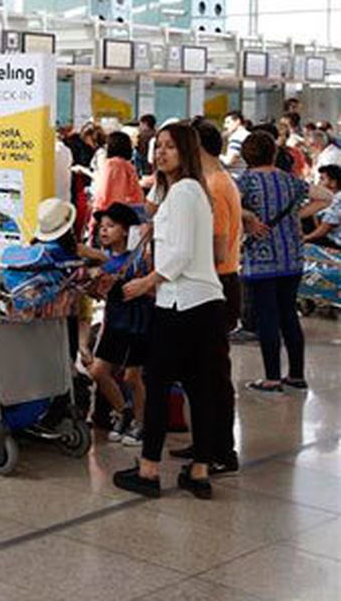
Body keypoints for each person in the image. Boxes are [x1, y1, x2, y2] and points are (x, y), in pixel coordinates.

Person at [113, 122, 225, 500]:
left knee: (158, 385)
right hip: (205, 303)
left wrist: (146, 283)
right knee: (200, 387)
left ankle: (148, 470)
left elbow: (179, 253)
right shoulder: (192, 191)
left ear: (186, 152)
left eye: (170, 147)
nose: (161, 153)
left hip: (180, 303)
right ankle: (199, 471)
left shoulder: (183, 192)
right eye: (158, 146)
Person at [166, 120, 243, 473]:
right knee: (201, 372)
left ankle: (220, 451)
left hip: (216, 283)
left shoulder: (212, 186)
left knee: (212, 374)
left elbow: (216, 249)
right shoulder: (215, 181)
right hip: (216, 282)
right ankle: (205, 444)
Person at [237, 132, 329, 392]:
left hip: (261, 258)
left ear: (246, 155)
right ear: (273, 153)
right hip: (291, 255)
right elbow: (326, 196)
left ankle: (272, 377)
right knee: (288, 313)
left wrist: (249, 217)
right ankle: (297, 374)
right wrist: (297, 215)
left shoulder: (245, 181)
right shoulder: (290, 180)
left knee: (267, 315)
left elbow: (228, 204)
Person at [85, 203, 149, 446]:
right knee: (98, 371)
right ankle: (124, 412)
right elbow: (96, 293)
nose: (104, 231)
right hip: (114, 322)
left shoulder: (139, 258)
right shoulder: (103, 259)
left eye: (111, 226)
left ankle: (141, 425)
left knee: (133, 377)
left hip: (137, 322)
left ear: (125, 231)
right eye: (102, 226)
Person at [90, 131, 144, 213]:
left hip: (112, 211)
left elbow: (104, 190)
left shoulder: (111, 164)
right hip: (131, 209)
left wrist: (96, 208)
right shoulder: (129, 166)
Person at [305, 164, 341, 247]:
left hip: (335, 242)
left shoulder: (337, 200)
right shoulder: (331, 198)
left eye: (322, 179)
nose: (318, 183)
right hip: (329, 237)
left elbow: (324, 229)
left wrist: (305, 238)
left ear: (333, 183)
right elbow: (318, 225)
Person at [221, 111, 250, 177]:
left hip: (235, 176)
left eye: (228, 122)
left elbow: (229, 161)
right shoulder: (248, 135)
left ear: (237, 121)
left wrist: (215, 157)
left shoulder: (237, 137)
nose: (225, 126)